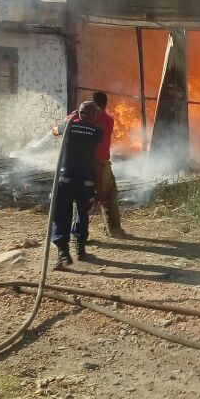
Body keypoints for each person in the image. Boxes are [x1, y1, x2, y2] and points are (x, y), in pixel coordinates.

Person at [50, 100, 102, 268]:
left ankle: (63, 253)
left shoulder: (68, 127)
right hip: (86, 180)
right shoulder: (97, 132)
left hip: (65, 179)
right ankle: (80, 248)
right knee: (82, 213)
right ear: (94, 116)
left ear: (78, 114)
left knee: (61, 214)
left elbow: (54, 131)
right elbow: (97, 157)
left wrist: (68, 121)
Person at [91, 90, 125, 237]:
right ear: (105, 104)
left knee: (80, 199)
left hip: (83, 164)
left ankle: (77, 235)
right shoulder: (108, 120)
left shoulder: (81, 119)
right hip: (101, 164)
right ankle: (114, 230)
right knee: (109, 195)